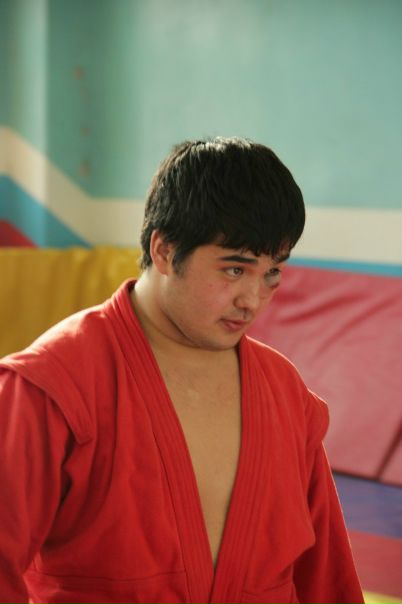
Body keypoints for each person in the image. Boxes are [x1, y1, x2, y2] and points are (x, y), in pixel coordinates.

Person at [0, 137, 364, 604]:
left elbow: (326, 579)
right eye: (235, 270)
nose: (252, 300)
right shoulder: (50, 386)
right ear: (165, 251)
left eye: (272, 273)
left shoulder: (285, 392)